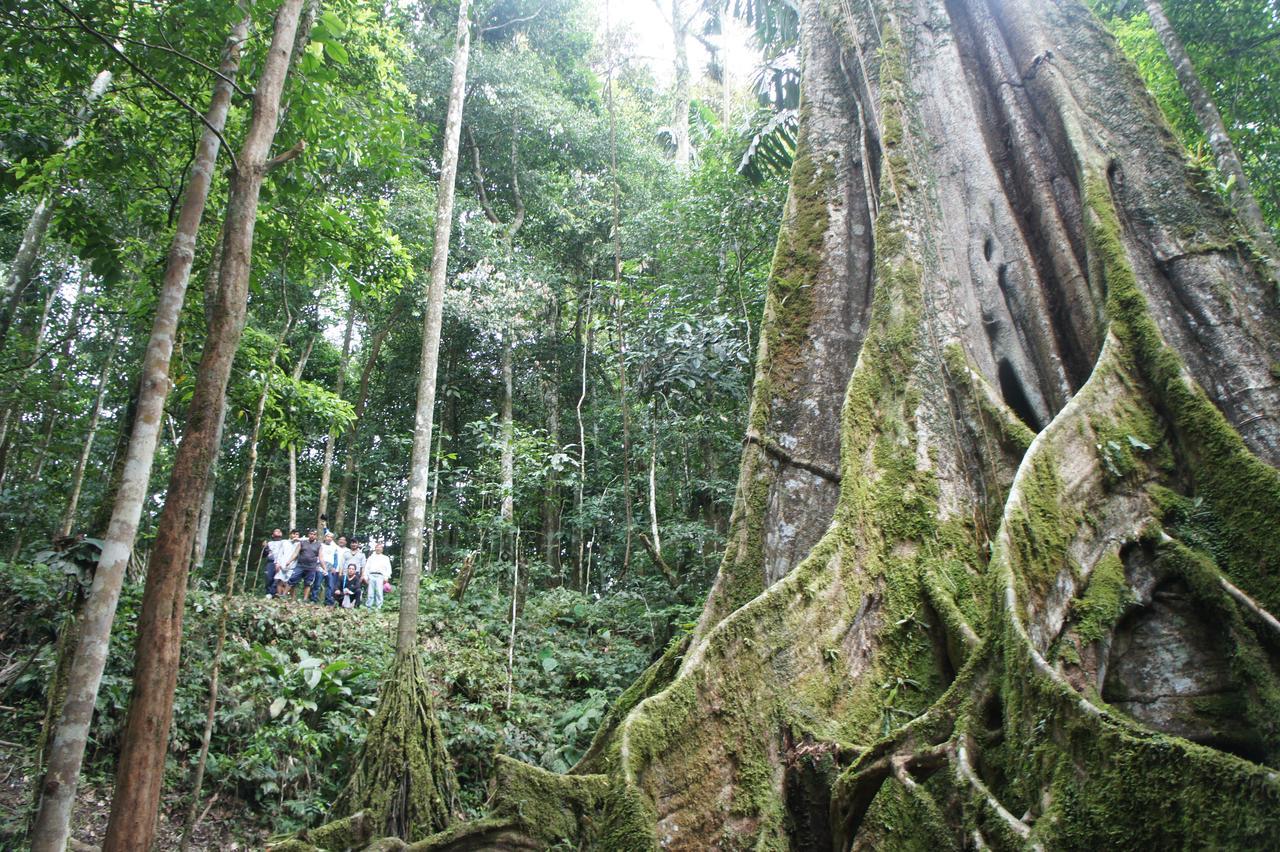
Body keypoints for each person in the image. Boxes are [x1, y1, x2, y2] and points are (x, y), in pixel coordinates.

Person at [285, 529, 322, 601]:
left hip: (311, 567)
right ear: (308, 534)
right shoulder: (302, 543)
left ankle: (305, 600)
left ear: (316, 536)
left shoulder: (319, 545)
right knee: (292, 580)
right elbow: (295, 553)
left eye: (314, 534)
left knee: (308, 583)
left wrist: (324, 568)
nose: (312, 536)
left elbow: (321, 557)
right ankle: (284, 595)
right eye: (311, 534)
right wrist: (289, 561)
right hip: (300, 566)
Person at [364, 541, 392, 610]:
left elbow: (388, 568)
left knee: (379, 593)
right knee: (370, 593)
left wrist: (386, 577)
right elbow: (367, 567)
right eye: (377, 547)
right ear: (375, 548)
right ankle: (369, 608)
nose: (378, 549)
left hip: (380, 576)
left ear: (382, 549)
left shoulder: (385, 558)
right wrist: (365, 577)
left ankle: (378, 608)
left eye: (380, 547)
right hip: (371, 575)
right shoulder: (371, 557)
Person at [347, 539, 367, 607]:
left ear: (358, 544)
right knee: (345, 589)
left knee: (357, 590)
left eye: (355, 543)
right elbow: (342, 564)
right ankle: (345, 604)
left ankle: (356, 605)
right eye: (352, 543)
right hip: (346, 574)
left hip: (357, 575)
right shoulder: (346, 553)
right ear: (350, 544)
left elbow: (363, 566)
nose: (354, 544)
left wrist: (362, 575)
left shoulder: (361, 554)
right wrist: (341, 573)